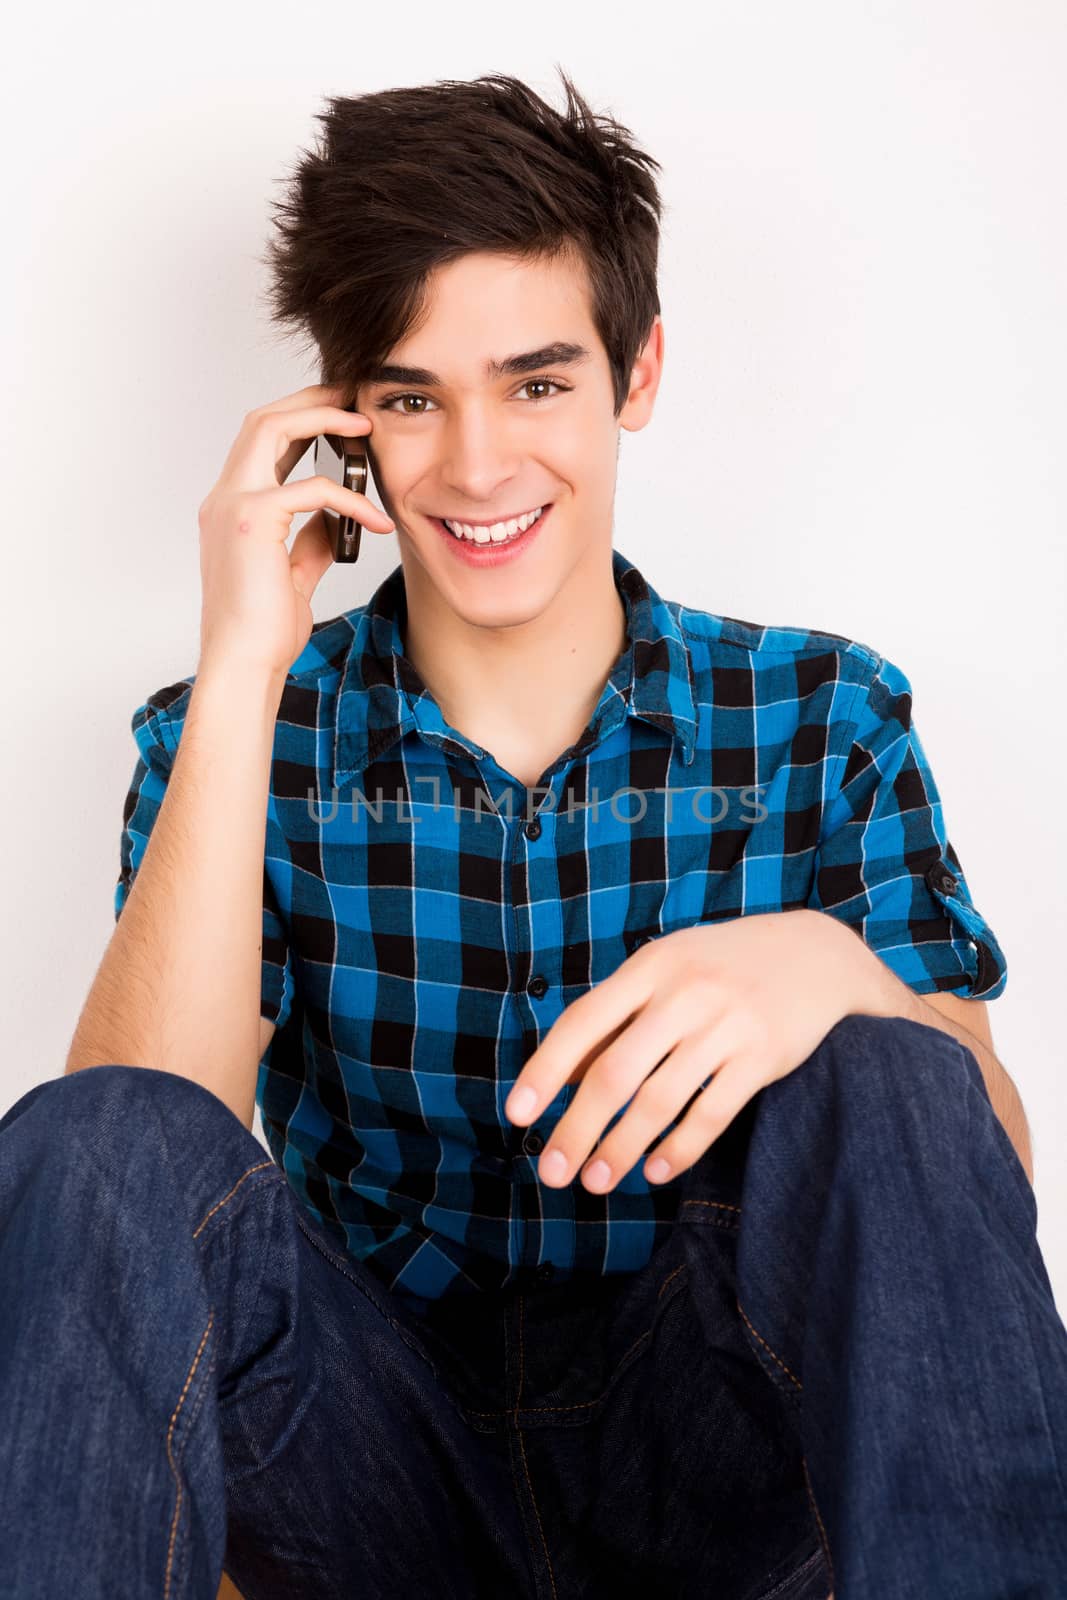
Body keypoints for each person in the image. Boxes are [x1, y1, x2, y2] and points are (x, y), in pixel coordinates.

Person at [2, 68, 1065, 1600]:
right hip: (366, 1461)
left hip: (713, 1452)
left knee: (896, 1068)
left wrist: (842, 972)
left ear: (637, 372)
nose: (480, 465)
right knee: (81, 1141)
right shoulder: (233, 728)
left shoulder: (824, 712)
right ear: (343, 421)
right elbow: (135, 1173)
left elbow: (984, 1193)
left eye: (538, 383)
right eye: (413, 397)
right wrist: (245, 658)